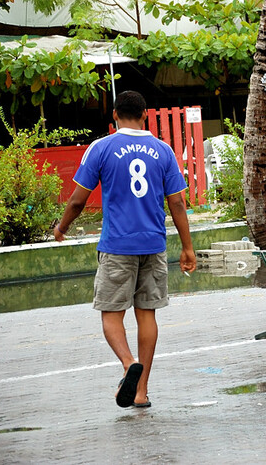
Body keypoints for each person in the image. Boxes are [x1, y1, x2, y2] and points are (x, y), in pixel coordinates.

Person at [54, 90, 196, 409]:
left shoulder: (101, 147)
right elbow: (177, 202)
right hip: (154, 243)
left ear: (115, 116)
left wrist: (61, 227)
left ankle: (128, 362)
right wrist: (187, 248)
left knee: (111, 314)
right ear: (145, 115)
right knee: (147, 314)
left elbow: (78, 199)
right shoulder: (163, 151)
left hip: (118, 245)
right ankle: (142, 391)